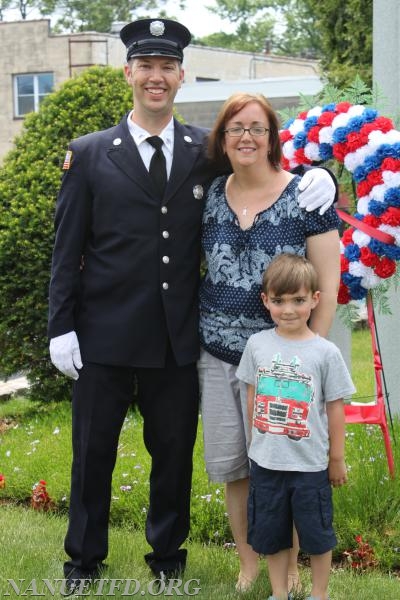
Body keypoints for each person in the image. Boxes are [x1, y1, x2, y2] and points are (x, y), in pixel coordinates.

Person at [47, 18, 336, 594]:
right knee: (92, 454)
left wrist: (320, 177)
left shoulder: (205, 152)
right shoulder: (89, 155)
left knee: (173, 455)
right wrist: (62, 327)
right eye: (146, 67)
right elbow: (66, 249)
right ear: (129, 73)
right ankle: (83, 562)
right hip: (103, 334)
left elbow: (265, 167)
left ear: (181, 76)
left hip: (178, 338)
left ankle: (166, 558)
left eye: (167, 67)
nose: (156, 77)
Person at [198, 92, 341, 593]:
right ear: (222, 137)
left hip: (285, 368)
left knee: (286, 468)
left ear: (273, 137)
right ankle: (249, 562)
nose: (246, 137)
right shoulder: (212, 192)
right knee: (237, 466)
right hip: (217, 357)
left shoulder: (305, 197)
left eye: (257, 128)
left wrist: (306, 358)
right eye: (236, 128)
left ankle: (293, 565)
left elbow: (328, 282)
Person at [236, 253, 355, 600]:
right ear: (266, 301)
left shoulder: (325, 352)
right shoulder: (257, 345)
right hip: (267, 463)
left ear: (314, 300)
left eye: (298, 300)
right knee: (273, 536)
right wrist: (254, 444)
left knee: (317, 535)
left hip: (310, 465)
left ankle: (319, 593)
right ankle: (278, 592)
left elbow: (335, 409)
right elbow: (252, 398)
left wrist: (337, 458)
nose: (288, 309)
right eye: (279, 300)